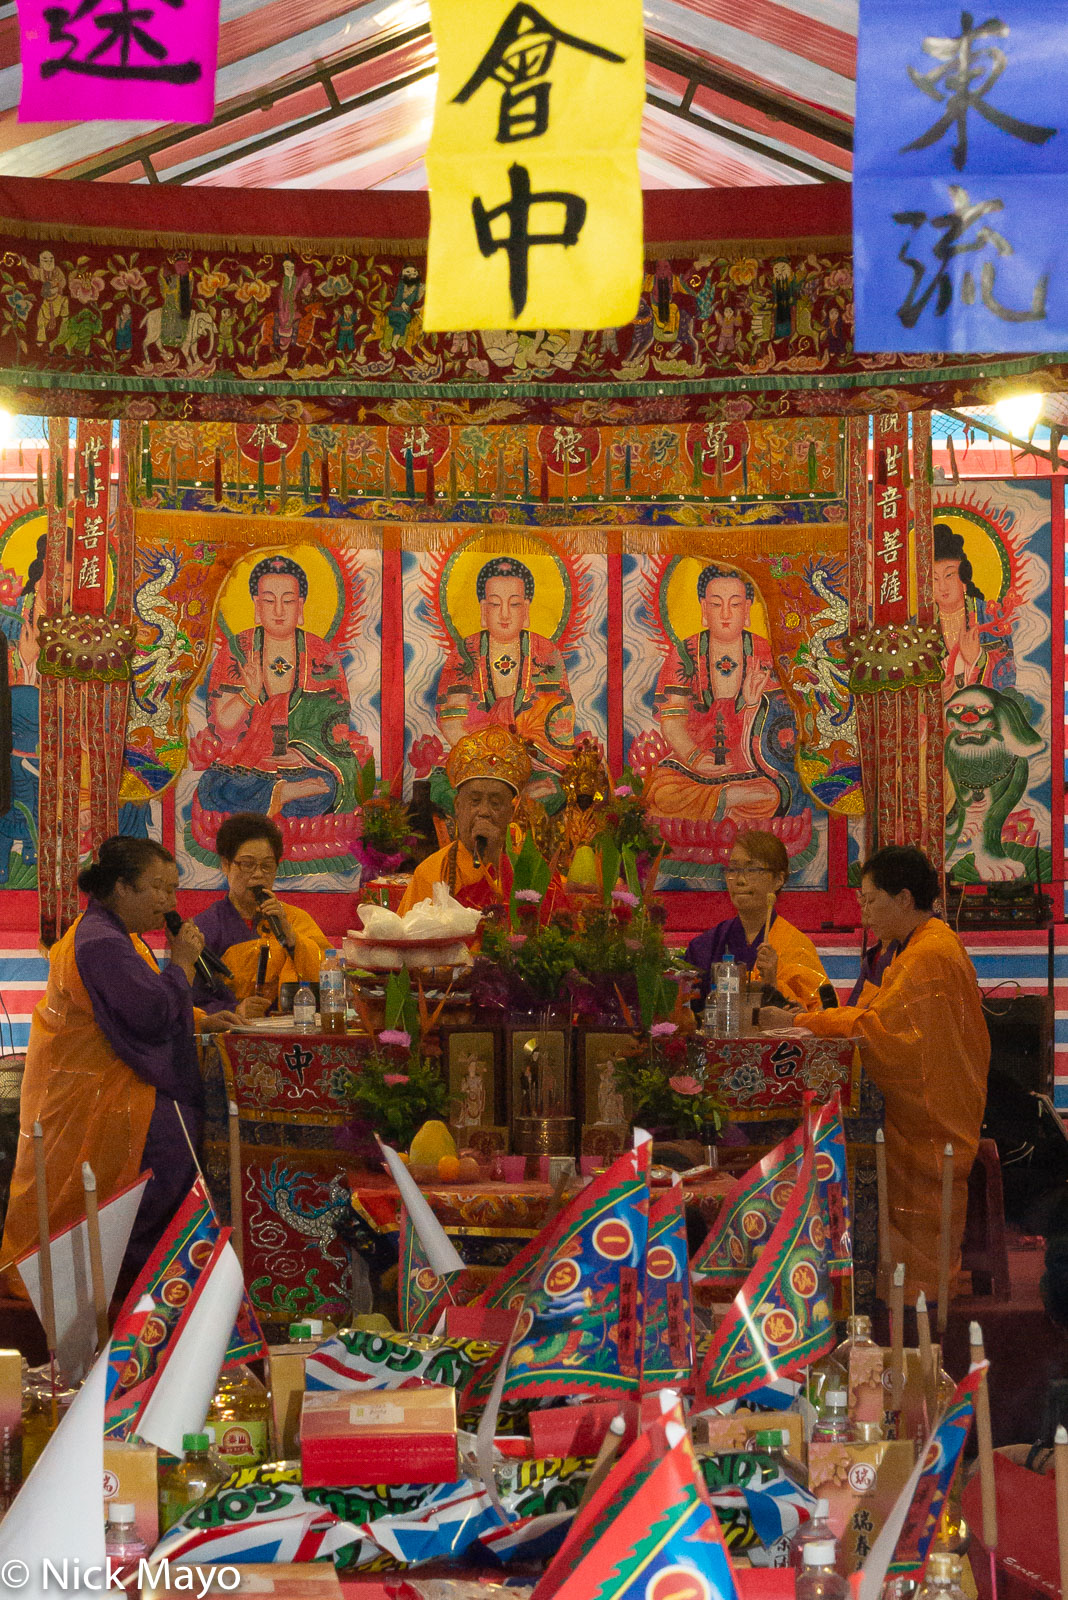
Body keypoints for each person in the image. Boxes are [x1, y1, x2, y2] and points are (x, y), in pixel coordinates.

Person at [0, 838, 239, 1293]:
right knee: (176, 1138)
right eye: (158, 888)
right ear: (121, 887)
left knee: (181, 1127)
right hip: (92, 1095)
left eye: (173, 889)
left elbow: (142, 1005)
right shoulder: (100, 942)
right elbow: (148, 1017)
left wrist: (202, 1019)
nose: (170, 902)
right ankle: (133, 1277)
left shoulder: (112, 934)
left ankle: (137, 1272)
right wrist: (183, 966)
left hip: (107, 1079)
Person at [764, 844, 989, 1300]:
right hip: (922, 1101)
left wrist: (799, 1022)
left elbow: (879, 1029)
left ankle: (917, 1311)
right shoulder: (911, 947)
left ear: (904, 899)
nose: (863, 912)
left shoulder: (930, 954)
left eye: (870, 900)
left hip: (932, 1111)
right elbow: (871, 1013)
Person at [196, 552, 363, 821]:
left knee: (330, 787)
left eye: (287, 601)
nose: (278, 611)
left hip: (304, 766)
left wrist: (300, 753)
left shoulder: (320, 652)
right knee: (211, 788)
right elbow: (223, 726)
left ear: (300, 606)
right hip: (249, 765)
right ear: (256, 605)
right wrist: (248, 695)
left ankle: (287, 792)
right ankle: (281, 794)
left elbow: (336, 721)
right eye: (269, 601)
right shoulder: (238, 650)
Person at [642, 563, 792, 830]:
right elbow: (672, 721)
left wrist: (754, 703)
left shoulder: (763, 652)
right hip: (693, 769)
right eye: (715, 604)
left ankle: (720, 806)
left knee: (772, 795)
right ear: (703, 608)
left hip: (749, 766)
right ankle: (726, 804)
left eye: (734, 605)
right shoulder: (685, 653)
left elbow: (779, 729)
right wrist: (695, 757)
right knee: (660, 791)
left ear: (747, 609)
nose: (725, 614)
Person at [435, 556, 576, 809]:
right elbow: (452, 723)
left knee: (557, 792)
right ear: (482, 609)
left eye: (514, 604)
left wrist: (517, 768)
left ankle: (504, 801)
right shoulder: (464, 652)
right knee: (440, 790)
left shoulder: (545, 652)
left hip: (533, 765)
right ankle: (506, 800)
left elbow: (556, 725)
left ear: (526, 609)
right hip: (474, 766)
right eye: (494, 604)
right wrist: (493, 767)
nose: (504, 614)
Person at [193, 812, 330, 1014]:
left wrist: (293, 940)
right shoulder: (205, 927)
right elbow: (191, 1002)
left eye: (267, 866)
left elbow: (330, 979)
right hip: (230, 1036)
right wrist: (235, 1010)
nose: (258, 875)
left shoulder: (294, 920)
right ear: (225, 865)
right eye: (247, 864)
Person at [685, 829, 826, 1009]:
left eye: (752, 870)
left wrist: (772, 984)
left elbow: (820, 1012)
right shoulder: (705, 947)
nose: (740, 880)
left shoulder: (796, 947)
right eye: (733, 869)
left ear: (778, 879)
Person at [398, 726, 532, 914]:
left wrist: (495, 858)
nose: (484, 811)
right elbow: (408, 936)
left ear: (511, 812)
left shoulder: (529, 869)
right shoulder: (430, 873)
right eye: (475, 801)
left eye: (495, 803)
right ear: (458, 806)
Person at [933, 522, 1013, 701]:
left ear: (963, 578)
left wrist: (978, 658)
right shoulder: (922, 622)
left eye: (949, 575)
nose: (942, 586)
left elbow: (1008, 674)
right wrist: (937, 694)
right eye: (934, 578)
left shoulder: (988, 615)